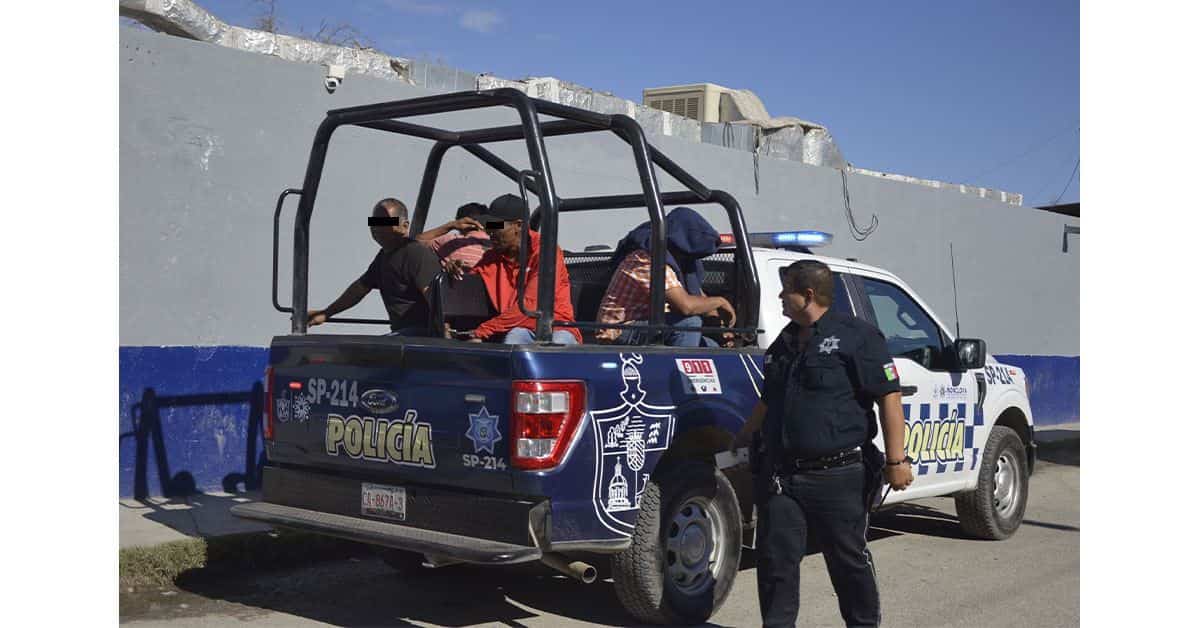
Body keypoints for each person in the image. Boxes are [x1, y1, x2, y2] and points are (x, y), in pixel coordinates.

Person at [730, 260, 913, 628]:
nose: (781, 297)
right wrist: (743, 439)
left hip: (839, 476)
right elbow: (769, 400)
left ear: (808, 295)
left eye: (787, 291)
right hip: (782, 476)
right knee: (775, 563)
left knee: (848, 562)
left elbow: (889, 397)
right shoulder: (784, 341)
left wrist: (897, 460)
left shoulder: (858, 337)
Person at [594, 206, 736, 347]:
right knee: (689, 323)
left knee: (711, 347)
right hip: (618, 331)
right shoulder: (648, 260)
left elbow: (700, 299)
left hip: (647, 325)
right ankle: (679, 370)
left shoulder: (675, 263)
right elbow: (686, 306)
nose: (692, 259)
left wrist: (719, 327)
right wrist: (721, 302)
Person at [307, 198, 441, 336]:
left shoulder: (415, 254)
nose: (377, 228)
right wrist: (326, 313)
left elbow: (436, 297)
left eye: (384, 222)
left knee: (370, 353)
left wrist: (445, 334)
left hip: (422, 334)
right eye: (374, 222)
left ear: (404, 226)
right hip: (403, 333)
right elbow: (359, 289)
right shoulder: (384, 256)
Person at [463, 194, 582, 345]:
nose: (490, 232)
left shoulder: (545, 251)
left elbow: (530, 306)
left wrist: (482, 331)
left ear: (518, 225)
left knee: (557, 346)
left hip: (555, 327)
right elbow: (465, 287)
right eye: (489, 226)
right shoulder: (491, 257)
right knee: (513, 340)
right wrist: (453, 272)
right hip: (518, 328)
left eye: (496, 225)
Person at [414, 202, 492, 273]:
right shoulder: (498, 245)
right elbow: (503, 225)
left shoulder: (452, 242)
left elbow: (417, 242)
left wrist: (451, 225)